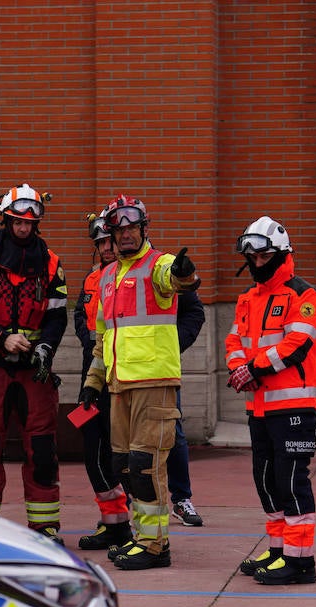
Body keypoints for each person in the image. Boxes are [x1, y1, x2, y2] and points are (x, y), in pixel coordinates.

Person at [78, 195, 200, 570]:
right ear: (111, 233)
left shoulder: (158, 264)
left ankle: (154, 545)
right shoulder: (109, 277)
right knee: (124, 466)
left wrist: (184, 273)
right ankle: (141, 535)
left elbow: (177, 280)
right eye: (119, 229)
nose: (126, 234)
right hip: (118, 387)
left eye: (132, 227)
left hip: (153, 383)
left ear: (143, 229)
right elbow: (103, 338)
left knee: (147, 466)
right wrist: (92, 382)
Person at [0, 183, 68, 543]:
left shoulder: (51, 263)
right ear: (6, 220)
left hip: (34, 367)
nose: (23, 229)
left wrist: (46, 348)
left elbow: (56, 317)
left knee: (43, 450)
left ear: (37, 224)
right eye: (17, 222)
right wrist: (1, 337)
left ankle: (45, 527)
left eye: (29, 224)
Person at [227, 216, 316, 585]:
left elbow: (296, 346)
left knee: (292, 480)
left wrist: (252, 369)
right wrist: (239, 368)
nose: (256, 262)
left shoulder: (305, 296)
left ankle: (302, 562)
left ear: (280, 254)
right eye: (251, 257)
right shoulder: (247, 299)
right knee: (266, 479)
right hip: (259, 407)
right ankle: (280, 549)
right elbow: (233, 341)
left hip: (294, 407)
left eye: (263, 256)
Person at [73, 210, 131, 550]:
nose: (106, 247)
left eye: (109, 240)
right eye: (101, 243)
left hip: (124, 374)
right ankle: (113, 523)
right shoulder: (93, 278)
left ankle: (136, 525)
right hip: (93, 369)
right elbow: (81, 315)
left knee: (122, 454)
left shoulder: (132, 275)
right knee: (92, 448)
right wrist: (89, 340)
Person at [170, 288, 207, 527]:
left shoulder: (161, 268)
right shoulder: (101, 276)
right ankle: (129, 504)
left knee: (173, 433)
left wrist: (171, 345)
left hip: (159, 368)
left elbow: (194, 311)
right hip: (116, 367)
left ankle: (181, 499)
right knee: (124, 441)